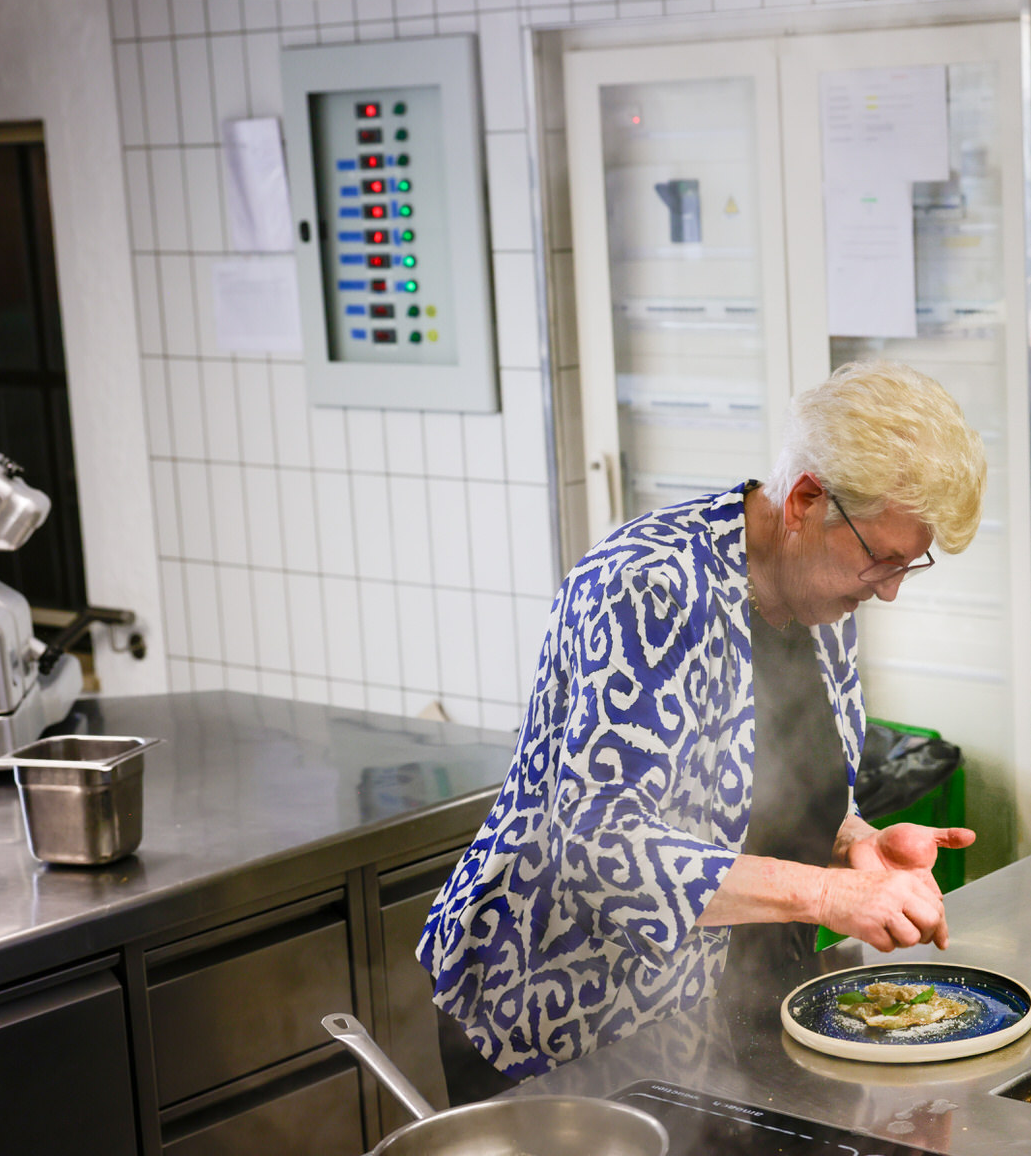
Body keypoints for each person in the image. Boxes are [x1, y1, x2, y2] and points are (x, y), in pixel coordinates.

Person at [417, 360, 987, 1094]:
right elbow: (597, 848)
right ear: (806, 500)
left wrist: (854, 842)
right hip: (561, 1016)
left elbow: (747, 786)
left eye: (910, 564)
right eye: (881, 559)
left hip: (713, 1010)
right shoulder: (645, 587)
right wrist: (826, 896)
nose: (892, 590)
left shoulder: (824, 602)